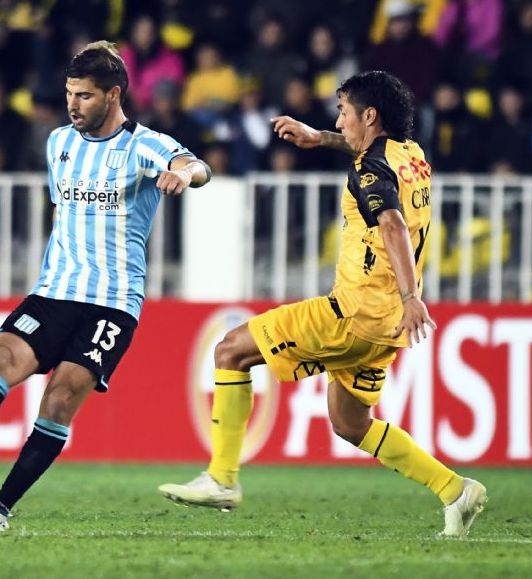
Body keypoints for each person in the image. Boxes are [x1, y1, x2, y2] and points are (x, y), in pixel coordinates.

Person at [158, 71, 487, 538]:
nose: (340, 120)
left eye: (343, 113)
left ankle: (222, 479)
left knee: (230, 350)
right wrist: (321, 138)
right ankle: (455, 490)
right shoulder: (412, 155)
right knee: (350, 422)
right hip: (386, 324)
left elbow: (391, 223)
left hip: (354, 312)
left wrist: (411, 297)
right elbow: (369, 155)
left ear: (369, 115)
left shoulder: (369, 169)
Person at [0, 41, 212, 532]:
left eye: (85, 96)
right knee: (4, 359)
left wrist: (183, 176)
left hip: (113, 303)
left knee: (60, 397)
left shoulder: (144, 145)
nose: (73, 105)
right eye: (70, 94)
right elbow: (62, 209)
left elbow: (196, 165)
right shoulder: (59, 144)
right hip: (55, 288)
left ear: (114, 95)